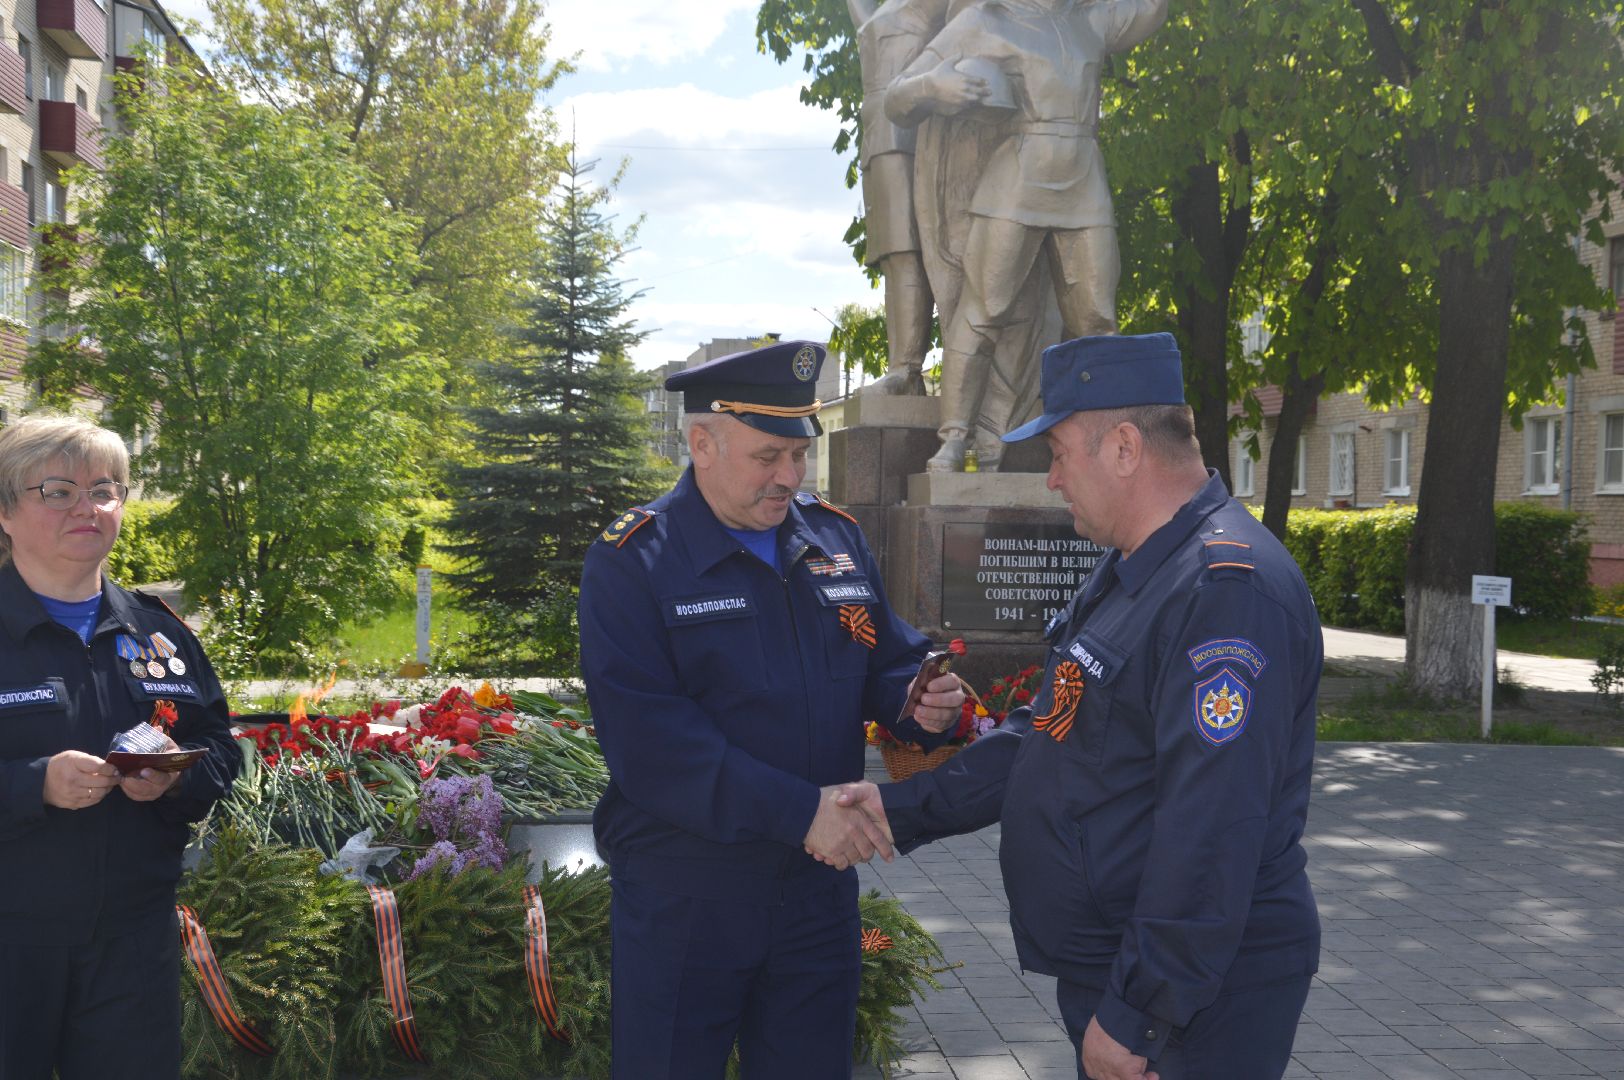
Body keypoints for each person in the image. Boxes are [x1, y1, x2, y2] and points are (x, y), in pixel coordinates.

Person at [843, 333, 1322, 1079]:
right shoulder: (1137, 569)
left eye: (1061, 453)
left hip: (1192, 1002)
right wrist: (895, 809)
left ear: (1125, 447)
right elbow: (1045, 730)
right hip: (1125, 968)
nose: (1053, 479)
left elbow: (1212, 827)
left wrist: (1139, 1012)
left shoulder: (1224, 591)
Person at [577, 339, 966, 1080]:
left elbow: (883, 658)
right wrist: (801, 813)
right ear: (702, 445)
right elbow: (654, 747)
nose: (790, 476)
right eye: (768, 457)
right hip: (688, 894)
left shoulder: (834, 538)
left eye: (800, 455)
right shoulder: (634, 561)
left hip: (815, 893)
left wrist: (920, 700)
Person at [0, 413, 240, 1080]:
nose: (87, 507)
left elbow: (219, 746)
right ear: (5, 512)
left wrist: (174, 778)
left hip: (131, 944)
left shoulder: (159, 633)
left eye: (104, 490)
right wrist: (33, 783)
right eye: (58, 491)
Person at [884, 0, 1170, 472]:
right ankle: (954, 439)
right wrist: (934, 86)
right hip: (1017, 179)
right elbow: (897, 98)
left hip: (1083, 180)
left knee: (1098, 321)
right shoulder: (985, 20)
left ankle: (1106, 448)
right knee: (984, 311)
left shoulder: (1091, 20)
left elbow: (1154, 9)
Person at [846, 0, 950, 395]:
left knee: (907, 250)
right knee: (893, 255)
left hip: (905, 131)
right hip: (876, 133)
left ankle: (906, 369)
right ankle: (902, 367)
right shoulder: (884, 10)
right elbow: (863, 18)